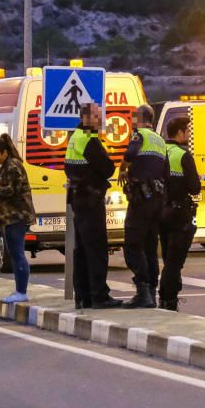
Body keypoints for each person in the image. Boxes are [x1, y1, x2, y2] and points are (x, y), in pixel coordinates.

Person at [65, 102, 122, 309]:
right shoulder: (89, 140)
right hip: (90, 202)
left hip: (79, 200)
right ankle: (100, 296)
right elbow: (107, 168)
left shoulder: (74, 139)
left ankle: (83, 296)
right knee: (96, 249)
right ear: (87, 118)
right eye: (98, 117)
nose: (102, 121)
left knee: (81, 250)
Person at [119, 105, 167, 309]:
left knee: (132, 244)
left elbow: (130, 153)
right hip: (157, 199)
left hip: (141, 198)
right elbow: (166, 170)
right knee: (149, 246)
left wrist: (123, 168)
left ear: (140, 119)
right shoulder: (160, 140)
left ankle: (143, 291)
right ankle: (152, 292)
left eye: (133, 118)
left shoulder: (139, 135)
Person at [159, 116, 200, 311]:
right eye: (188, 131)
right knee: (175, 261)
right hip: (179, 214)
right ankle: (168, 299)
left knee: (168, 257)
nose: (189, 135)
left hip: (161, 212)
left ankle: (165, 297)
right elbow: (194, 188)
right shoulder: (183, 155)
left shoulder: (160, 151)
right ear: (180, 133)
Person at [0, 134, 36, 304]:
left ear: (4, 152)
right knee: (15, 253)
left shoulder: (13, 166)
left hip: (16, 216)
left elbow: (11, 190)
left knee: (17, 254)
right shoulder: (6, 165)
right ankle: (19, 289)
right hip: (9, 216)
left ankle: (21, 291)